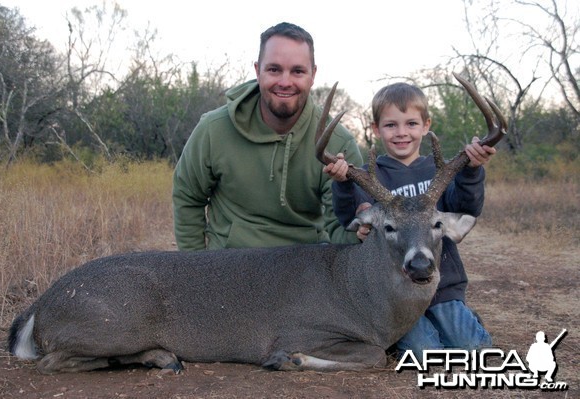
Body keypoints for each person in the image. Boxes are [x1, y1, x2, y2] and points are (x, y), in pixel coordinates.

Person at [323, 82, 494, 358]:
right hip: (395, 293)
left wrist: (471, 171)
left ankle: (458, 319)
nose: (401, 133)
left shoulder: (441, 172)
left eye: (411, 123)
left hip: (443, 288)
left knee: (475, 348)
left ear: (426, 125)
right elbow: (349, 217)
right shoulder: (369, 176)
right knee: (425, 352)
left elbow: (466, 207)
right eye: (391, 125)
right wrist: (343, 183)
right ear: (376, 129)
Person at [172, 22, 363, 250]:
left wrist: (361, 228)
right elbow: (188, 197)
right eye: (274, 69)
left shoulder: (338, 143)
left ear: (313, 75)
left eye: (297, 71)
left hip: (304, 267)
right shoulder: (214, 129)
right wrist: (197, 268)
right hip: (228, 264)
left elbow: (343, 231)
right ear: (257, 71)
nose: (285, 82)